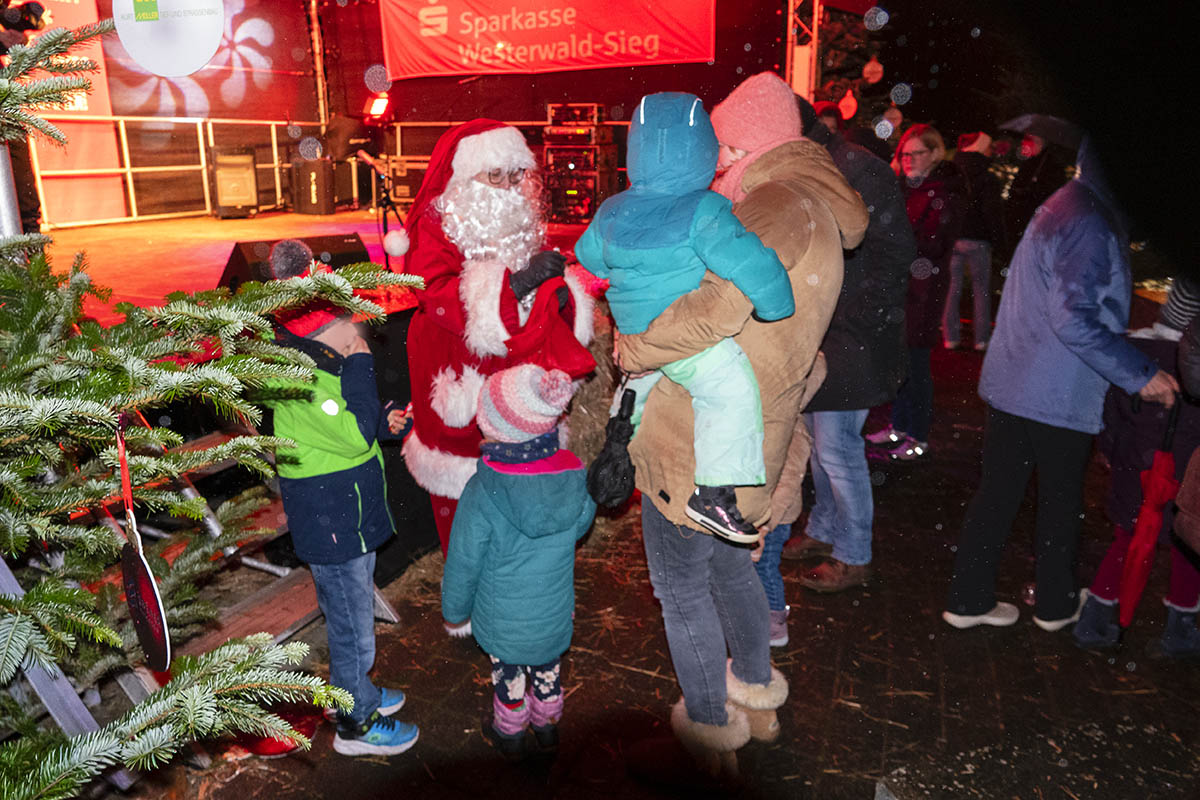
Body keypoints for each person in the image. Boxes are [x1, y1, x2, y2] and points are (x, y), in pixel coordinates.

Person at [616, 71, 868, 788]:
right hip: (754, 433)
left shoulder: (776, 205)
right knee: (733, 570)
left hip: (696, 439)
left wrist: (635, 347)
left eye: (724, 149)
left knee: (682, 588)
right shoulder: (817, 201)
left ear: (749, 144)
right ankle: (754, 701)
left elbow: (715, 307)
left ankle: (707, 733)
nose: (716, 164)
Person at [943, 136, 1178, 632]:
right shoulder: (1092, 220)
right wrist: (1140, 373)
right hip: (1055, 386)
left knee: (1001, 493)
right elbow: (1073, 318)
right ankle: (1053, 604)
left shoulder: (1068, 202)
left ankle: (968, 599)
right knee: (1059, 500)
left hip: (1019, 377)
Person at [574, 91, 794, 544]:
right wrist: (778, 305)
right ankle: (714, 490)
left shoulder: (613, 209)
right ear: (702, 151)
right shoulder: (705, 208)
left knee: (638, 380)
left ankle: (618, 435)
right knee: (729, 387)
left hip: (634, 331)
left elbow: (588, 259)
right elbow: (749, 260)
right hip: (682, 334)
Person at [400, 120, 596, 562]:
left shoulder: (515, 219)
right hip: (456, 370)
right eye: (495, 176)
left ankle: (522, 582)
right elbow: (434, 292)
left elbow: (534, 300)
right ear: (465, 176)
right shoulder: (436, 221)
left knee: (522, 489)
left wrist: (560, 298)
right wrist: (515, 285)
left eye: (514, 175)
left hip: (514, 375)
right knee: (465, 496)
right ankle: (470, 598)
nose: (508, 187)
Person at [266, 239, 419, 757]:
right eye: (346, 328)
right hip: (333, 516)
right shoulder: (308, 376)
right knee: (353, 626)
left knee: (352, 613)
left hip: (345, 510)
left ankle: (361, 690)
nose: (358, 331)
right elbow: (349, 433)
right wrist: (360, 364)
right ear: (322, 339)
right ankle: (355, 723)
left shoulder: (316, 369)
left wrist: (384, 421)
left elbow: (352, 423)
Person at [768, 97, 916, 609]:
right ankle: (825, 529)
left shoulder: (855, 170)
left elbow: (896, 252)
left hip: (850, 336)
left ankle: (855, 553)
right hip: (825, 332)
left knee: (838, 449)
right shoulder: (820, 166)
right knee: (817, 440)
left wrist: (852, 315)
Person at [441, 364, 595, 761]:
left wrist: (454, 609)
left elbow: (464, 559)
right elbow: (579, 525)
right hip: (554, 615)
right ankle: (547, 727)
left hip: (503, 621)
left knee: (508, 677)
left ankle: (509, 734)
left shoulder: (482, 489)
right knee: (548, 671)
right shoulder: (574, 473)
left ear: (494, 428)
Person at [1073, 277, 1200, 656]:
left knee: (1128, 542)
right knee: (1187, 547)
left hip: (1135, 472)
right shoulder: (1192, 368)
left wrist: (1111, 453)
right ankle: (1181, 627)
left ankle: (1096, 618)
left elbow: (1110, 414)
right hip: (1181, 477)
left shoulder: (1132, 352)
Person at [865, 124, 965, 461]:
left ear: (934, 154)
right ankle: (899, 425)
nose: (908, 160)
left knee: (917, 364)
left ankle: (918, 434)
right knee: (901, 360)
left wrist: (895, 242)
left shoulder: (941, 193)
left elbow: (933, 244)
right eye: (905, 154)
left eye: (916, 153)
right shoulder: (908, 188)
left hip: (923, 290)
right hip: (904, 286)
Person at [943, 131, 1007, 351]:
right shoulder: (987, 178)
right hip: (979, 240)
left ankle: (950, 337)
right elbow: (992, 212)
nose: (991, 151)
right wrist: (1000, 241)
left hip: (954, 238)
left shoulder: (952, 174)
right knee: (981, 290)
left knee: (952, 288)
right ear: (981, 148)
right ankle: (981, 340)